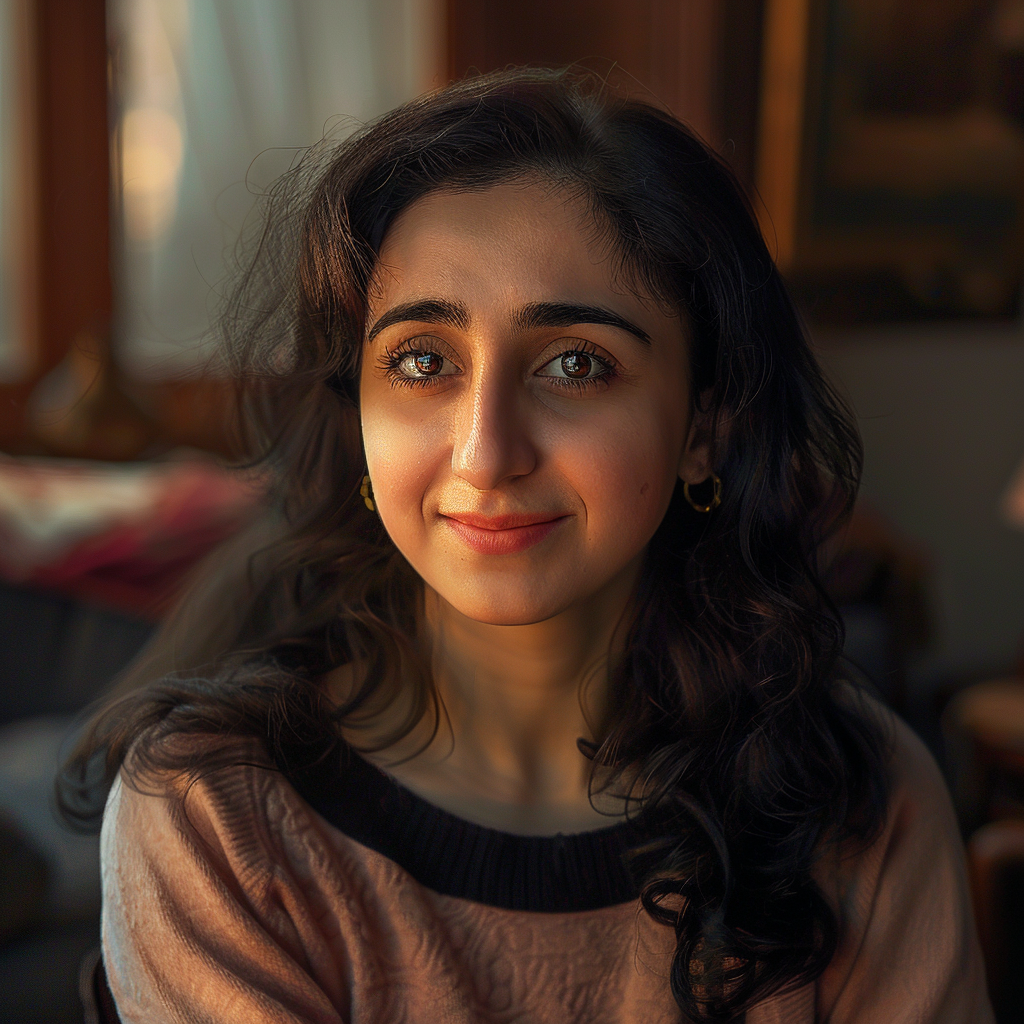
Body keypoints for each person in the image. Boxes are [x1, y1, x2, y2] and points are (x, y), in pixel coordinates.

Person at [60, 68, 992, 1023]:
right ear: (360, 423)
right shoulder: (221, 820)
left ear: (705, 424)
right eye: (422, 361)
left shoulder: (860, 803)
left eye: (576, 365)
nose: (485, 452)